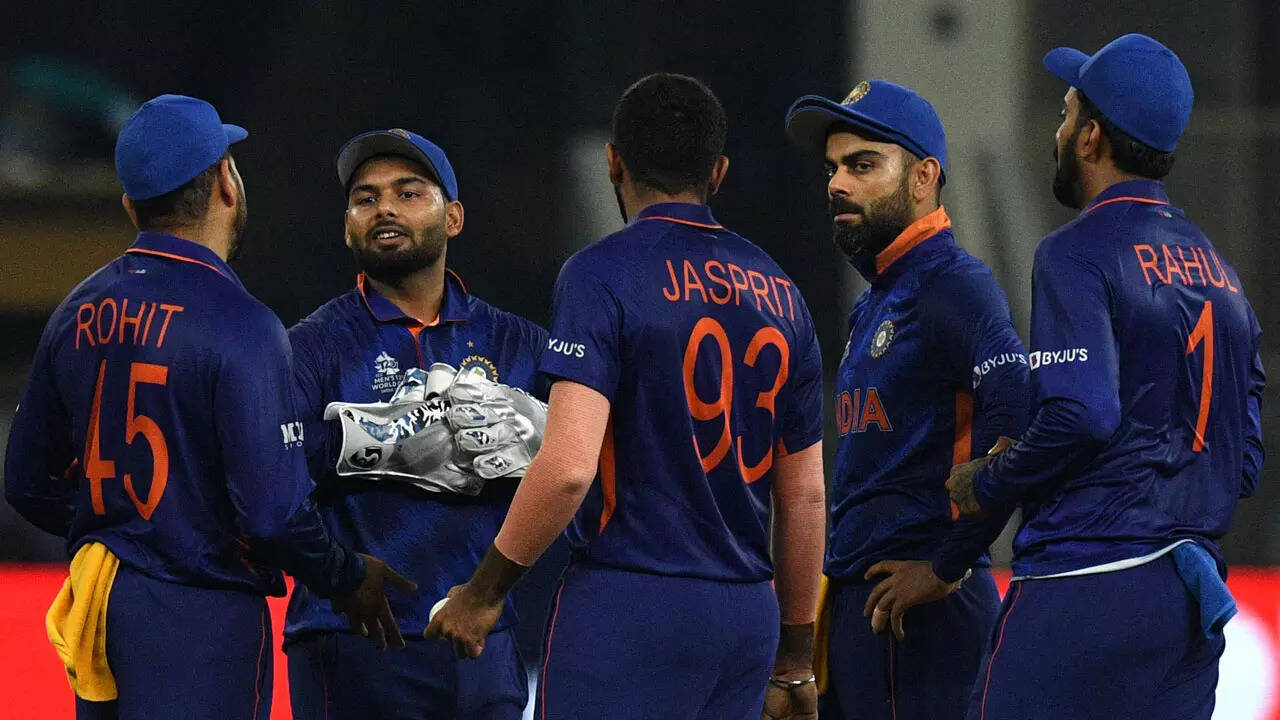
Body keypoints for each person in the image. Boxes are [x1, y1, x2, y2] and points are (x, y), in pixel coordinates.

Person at [426, 72, 827, 720]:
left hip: (632, 604)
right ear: (718, 172)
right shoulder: (783, 293)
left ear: (614, 162)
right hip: (747, 617)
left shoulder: (602, 274)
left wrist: (483, 594)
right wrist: (796, 660)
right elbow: (804, 496)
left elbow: (569, 469)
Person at [3, 94, 413, 720]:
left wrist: (124, 535)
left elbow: (26, 483)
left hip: (103, 605)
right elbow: (273, 518)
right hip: (200, 614)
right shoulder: (241, 323)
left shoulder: (76, 310)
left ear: (130, 206)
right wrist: (347, 575)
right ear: (226, 181)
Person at [943, 34, 1265, 719]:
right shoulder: (1223, 276)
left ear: (1091, 138)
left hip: (1085, 585)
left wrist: (991, 479)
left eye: (1066, 115)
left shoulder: (1076, 252)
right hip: (1188, 603)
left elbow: (1082, 414)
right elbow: (1244, 463)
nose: (1058, 133)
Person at [283, 128, 559, 719]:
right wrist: (339, 575)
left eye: (408, 193)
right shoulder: (308, 348)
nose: (384, 207)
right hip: (351, 640)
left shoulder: (521, 344)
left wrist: (541, 435)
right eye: (365, 198)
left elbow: (579, 478)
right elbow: (275, 491)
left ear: (453, 218)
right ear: (348, 227)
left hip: (483, 640)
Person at [783, 80, 1030, 719]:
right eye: (833, 168)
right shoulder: (878, 299)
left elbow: (1017, 413)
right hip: (865, 605)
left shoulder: (954, 285)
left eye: (863, 165)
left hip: (921, 615)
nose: (838, 184)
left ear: (923, 177)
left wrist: (948, 563)